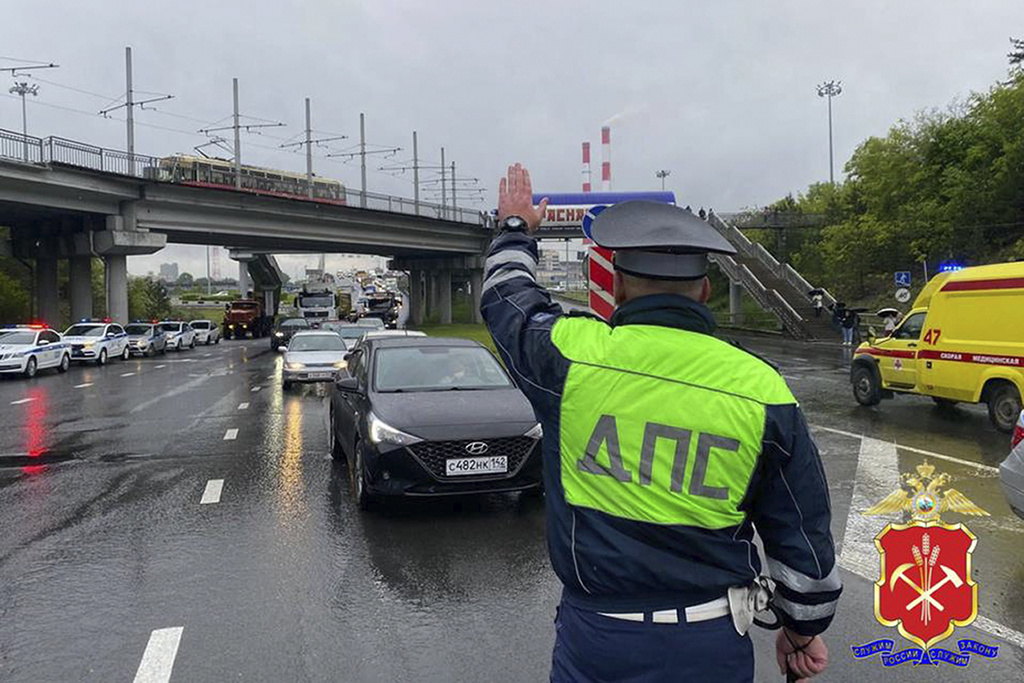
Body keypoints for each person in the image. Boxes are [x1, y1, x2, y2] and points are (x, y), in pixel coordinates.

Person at [481, 164, 840, 682]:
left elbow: (505, 299)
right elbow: (803, 537)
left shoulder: (571, 359)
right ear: (705, 291)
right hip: (711, 645)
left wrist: (515, 229)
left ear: (619, 288)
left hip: (599, 642)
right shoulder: (762, 388)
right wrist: (801, 631)